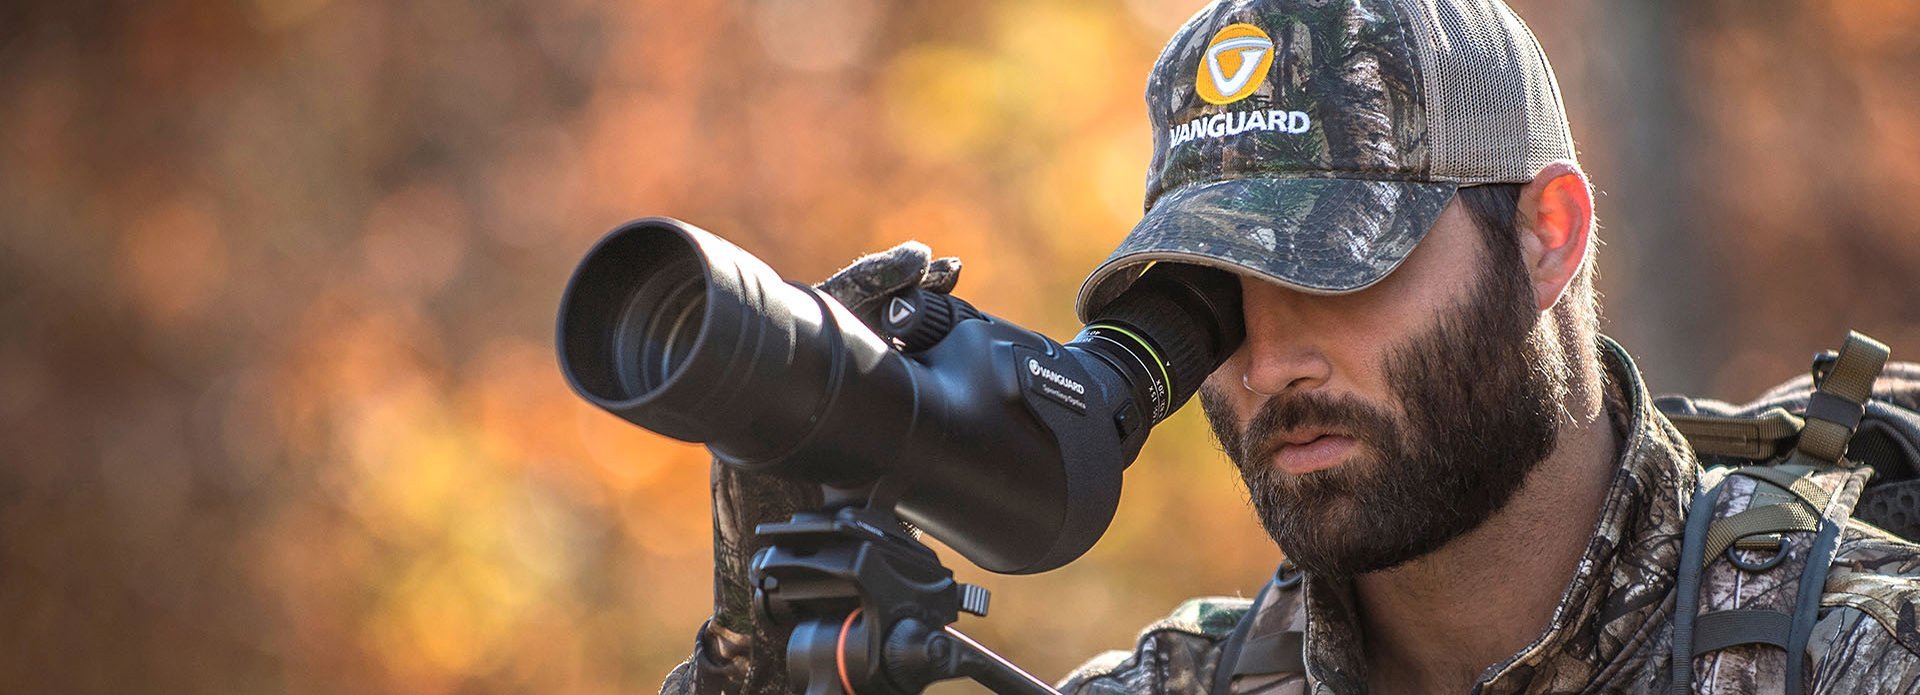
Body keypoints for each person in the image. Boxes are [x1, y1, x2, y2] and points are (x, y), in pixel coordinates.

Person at [662, 0, 1920, 692]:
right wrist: (756, 666)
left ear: (1548, 234)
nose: (1269, 362)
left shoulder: (1853, 647)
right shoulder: (1187, 685)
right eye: (1212, 303)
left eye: (1338, 262)